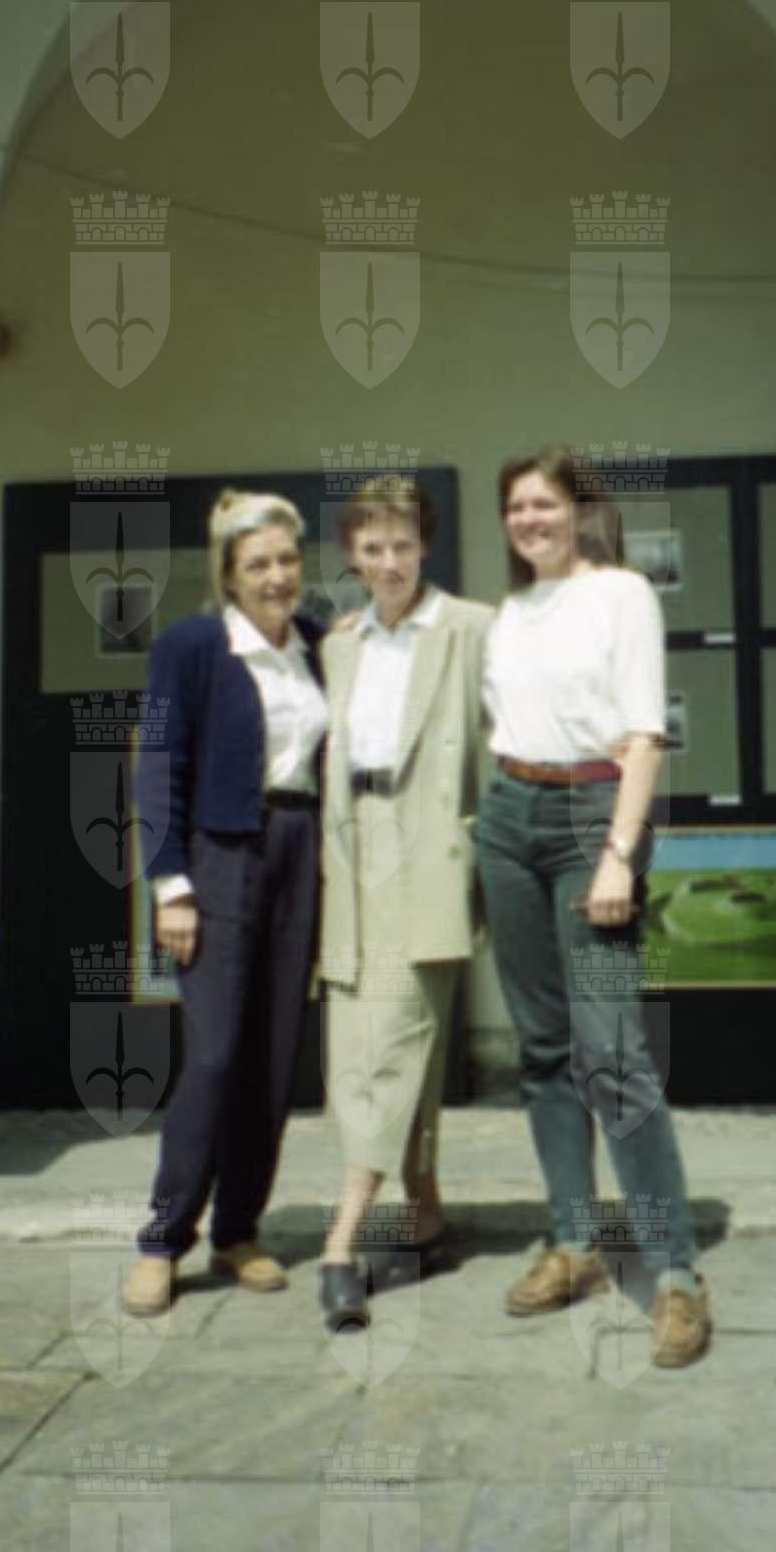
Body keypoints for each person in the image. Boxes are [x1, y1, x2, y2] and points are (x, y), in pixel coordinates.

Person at [473, 445, 711, 1367]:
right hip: (508, 816)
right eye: (515, 507)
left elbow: (644, 737)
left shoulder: (620, 593)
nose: (528, 520)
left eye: (543, 504)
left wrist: (617, 856)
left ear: (578, 510)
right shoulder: (509, 612)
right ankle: (573, 1241)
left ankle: (675, 1272)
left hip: (590, 819)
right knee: (541, 1050)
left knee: (610, 1054)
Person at [122, 490, 328, 1316]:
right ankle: (163, 1240)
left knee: (274, 1055)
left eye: (287, 560)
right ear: (229, 575)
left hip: (299, 851)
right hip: (220, 856)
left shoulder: (317, 645)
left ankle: (239, 1230)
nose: (277, 577)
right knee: (212, 1056)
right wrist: (169, 884)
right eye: (258, 564)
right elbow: (158, 765)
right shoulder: (192, 646)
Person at [316, 476, 493, 1332]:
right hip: (354, 847)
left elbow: (503, 743)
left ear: (425, 546)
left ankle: (341, 1242)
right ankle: (422, 1210)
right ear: (352, 557)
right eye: (372, 548)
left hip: (429, 851)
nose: (389, 562)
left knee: (390, 1039)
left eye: (402, 545)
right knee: (372, 1036)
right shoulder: (340, 645)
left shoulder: (472, 629)